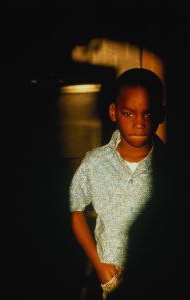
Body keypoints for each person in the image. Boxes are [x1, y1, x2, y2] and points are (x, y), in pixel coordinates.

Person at [69, 68, 166, 299]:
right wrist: (99, 265)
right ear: (114, 112)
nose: (140, 123)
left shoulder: (172, 166)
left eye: (148, 114)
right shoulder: (94, 162)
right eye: (129, 113)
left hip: (160, 277)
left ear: (160, 114)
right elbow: (75, 211)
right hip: (112, 281)